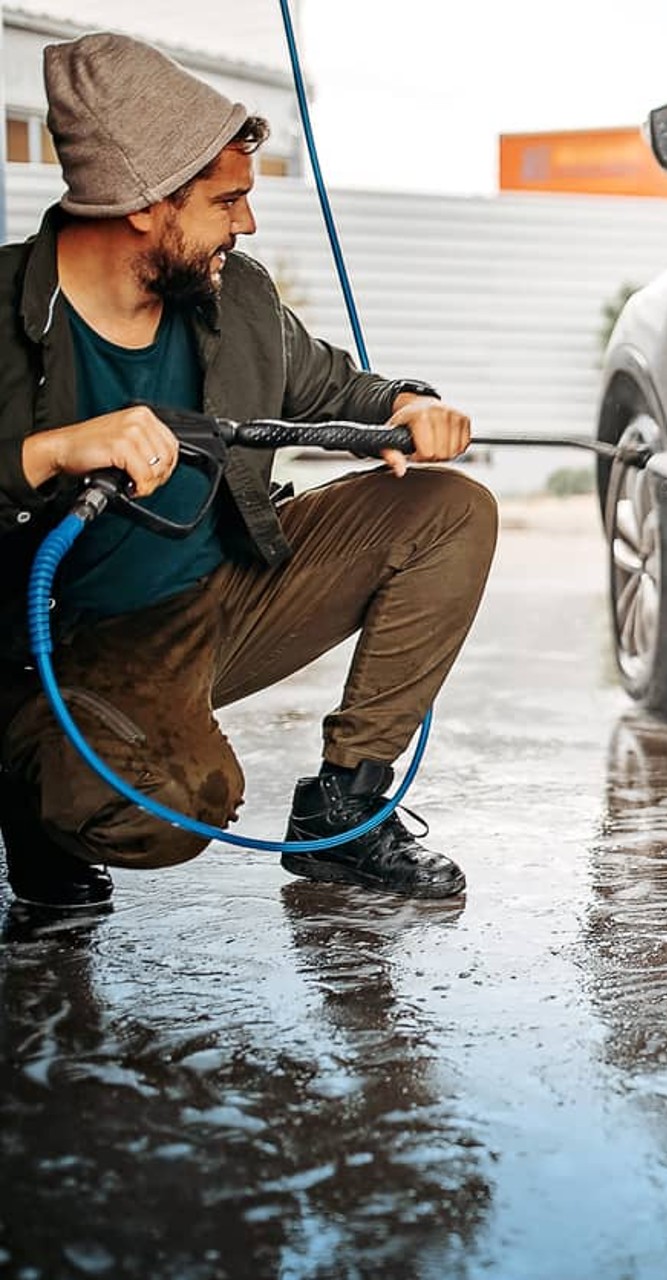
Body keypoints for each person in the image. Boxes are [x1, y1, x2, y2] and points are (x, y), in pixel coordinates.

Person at [0, 32, 498, 914]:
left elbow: (344, 389)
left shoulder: (238, 300)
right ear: (145, 204)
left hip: (226, 594)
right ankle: (36, 795)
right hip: (68, 645)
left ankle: (343, 814)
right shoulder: (5, 310)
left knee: (449, 511)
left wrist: (409, 406)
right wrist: (53, 451)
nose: (247, 222)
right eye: (226, 201)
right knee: (178, 810)